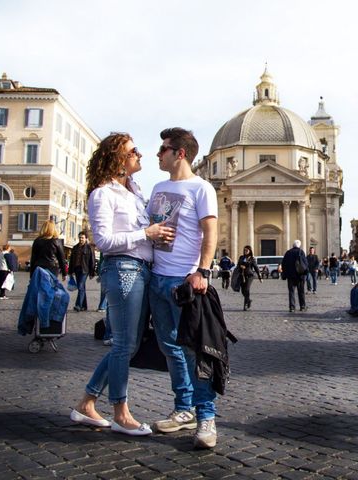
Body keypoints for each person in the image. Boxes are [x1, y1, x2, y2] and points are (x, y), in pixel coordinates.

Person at [71, 132, 171, 436]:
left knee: (128, 344)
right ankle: (120, 412)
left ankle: (86, 404)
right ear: (118, 158)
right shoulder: (102, 194)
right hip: (123, 269)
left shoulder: (133, 193)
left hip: (142, 270)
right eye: (134, 151)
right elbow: (103, 241)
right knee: (124, 344)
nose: (140, 155)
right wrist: (147, 234)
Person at [147, 127, 219, 449]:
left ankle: (206, 416)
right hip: (157, 279)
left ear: (180, 153)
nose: (157, 154)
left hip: (184, 281)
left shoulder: (202, 188)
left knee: (193, 351)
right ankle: (183, 409)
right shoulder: (157, 187)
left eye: (163, 149)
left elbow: (210, 232)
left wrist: (203, 270)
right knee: (169, 349)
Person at [69, 231, 96, 312]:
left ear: (86, 238)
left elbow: (92, 261)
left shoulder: (89, 248)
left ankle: (78, 305)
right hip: (77, 269)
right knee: (82, 287)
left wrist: (92, 273)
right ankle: (84, 306)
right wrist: (70, 272)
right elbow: (72, 261)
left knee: (80, 286)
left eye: (82, 238)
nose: (81, 239)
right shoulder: (75, 247)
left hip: (85, 270)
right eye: (80, 237)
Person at [281, 240, 308, 312]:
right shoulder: (301, 252)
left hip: (290, 276)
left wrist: (285, 273)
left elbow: (284, 264)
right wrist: (306, 273)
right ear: (299, 245)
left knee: (291, 291)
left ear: (293, 245)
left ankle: (292, 307)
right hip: (300, 275)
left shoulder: (288, 252)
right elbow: (305, 263)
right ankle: (302, 306)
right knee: (301, 291)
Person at [236, 245, 263, 311]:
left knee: (247, 289)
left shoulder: (252, 259)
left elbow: (256, 268)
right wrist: (240, 266)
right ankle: (249, 300)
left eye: (247, 250)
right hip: (242, 276)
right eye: (244, 250)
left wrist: (260, 277)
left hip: (249, 276)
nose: (245, 251)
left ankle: (245, 305)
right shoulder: (241, 257)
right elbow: (238, 265)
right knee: (243, 291)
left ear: (250, 251)